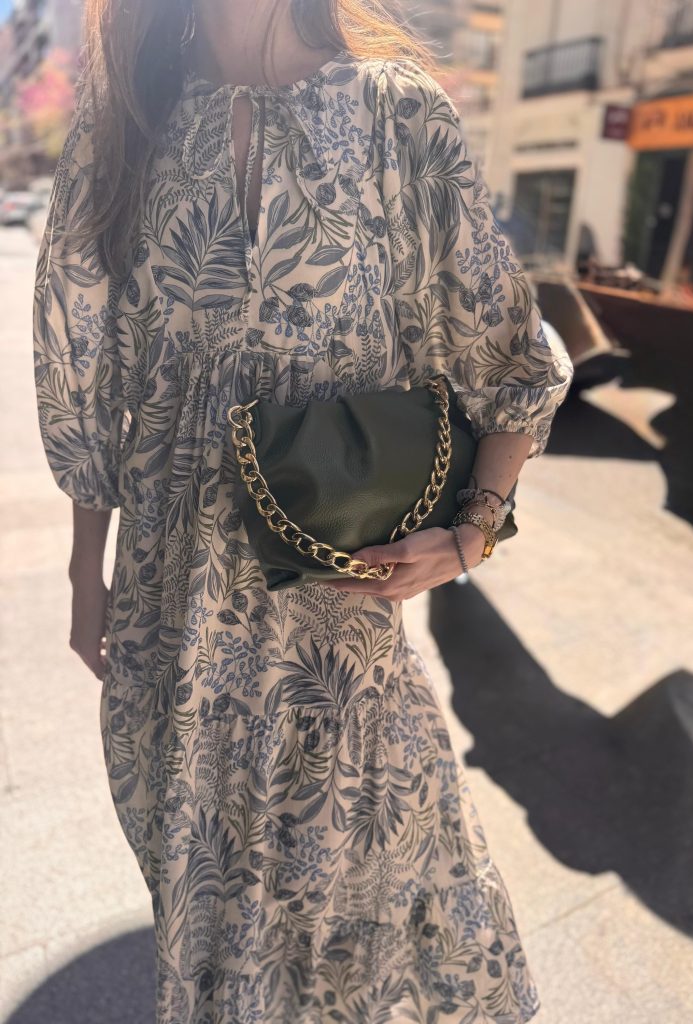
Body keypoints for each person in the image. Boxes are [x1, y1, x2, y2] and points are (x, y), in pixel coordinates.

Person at [32, 0, 574, 1020]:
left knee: (361, 920)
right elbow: (86, 369)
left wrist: (473, 531)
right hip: (168, 608)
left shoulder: (398, 112)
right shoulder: (131, 122)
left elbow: (508, 350)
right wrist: (81, 570)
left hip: (332, 618)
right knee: (207, 916)